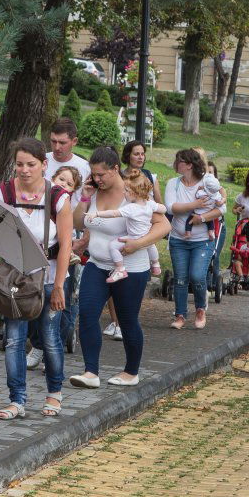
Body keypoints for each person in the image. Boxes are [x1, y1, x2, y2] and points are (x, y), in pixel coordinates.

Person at [70, 146, 170, 388]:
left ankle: (131, 371)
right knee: (87, 314)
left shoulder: (132, 192)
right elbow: (77, 221)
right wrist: (84, 197)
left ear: (115, 169)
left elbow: (163, 225)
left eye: (101, 174)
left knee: (127, 320)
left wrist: (138, 244)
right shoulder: (92, 192)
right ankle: (91, 372)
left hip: (131, 268)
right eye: (93, 174)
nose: (97, 179)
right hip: (97, 263)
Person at [0, 138, 74, 420]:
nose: (24, 170)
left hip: (49, 275)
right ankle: (17, 399)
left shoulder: (58, 197)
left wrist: (60, 285)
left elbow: (65, 245)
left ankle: (54, 392)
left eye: (31, 164)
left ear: (44, 165)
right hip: (14, 276)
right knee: (14, 339)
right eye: (19, 164)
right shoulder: (3, 192)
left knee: (50, 338)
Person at [164, 148, 226, 329]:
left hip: (202, 241)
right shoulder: (173, 184)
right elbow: (171, 208)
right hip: (178, 239)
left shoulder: (206, 182)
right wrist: (196, 205)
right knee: (181, 279)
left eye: (179, 161)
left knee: (197, 276)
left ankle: (200, 308)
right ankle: (180, 315)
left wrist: (202, 218)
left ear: (189, 165)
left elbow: (222, 210)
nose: (175, 164)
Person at [45, 117, 90, 353]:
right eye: (53, 141)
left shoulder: (83, 168)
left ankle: (59, 342)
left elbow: (90, 204)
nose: (56, 147)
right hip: (42, 234)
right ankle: (40, 344)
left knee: (67, 290)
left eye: (62, 142)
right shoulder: (42, 161)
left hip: (70, 234)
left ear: (74, 141)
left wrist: (84, 238)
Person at [94, 169, 168, 284]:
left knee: (113, 246)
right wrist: (162, 208)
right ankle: (156, 264)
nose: (124, 192)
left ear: (135, 193)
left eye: (126, 190)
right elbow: (163, 209)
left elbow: (113, 213)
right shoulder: (150, 204)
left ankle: (120, 269)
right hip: (146, 237)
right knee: (151, 245)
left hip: (133, 238)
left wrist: (97, 214)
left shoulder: (131, 208)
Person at [230, 219, 249, 289]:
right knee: (237, 262)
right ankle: (241, 276)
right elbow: (239, 256)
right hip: (243, 262)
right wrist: (239, 255)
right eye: (248, 241)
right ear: (246, 240)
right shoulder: (243, 246)